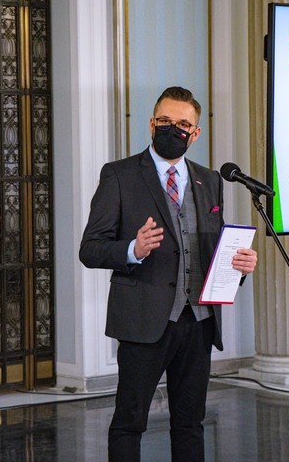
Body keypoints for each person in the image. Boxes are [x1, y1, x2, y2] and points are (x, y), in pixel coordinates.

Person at [79, 86, 258, 462]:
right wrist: (133, 248)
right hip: (143, 320)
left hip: (199, 321)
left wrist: (238, 267)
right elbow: (90, 249)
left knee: (191, 424)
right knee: (129, 422)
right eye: (164, 121)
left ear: (195, 133)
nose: (172, 129)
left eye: (182, 124)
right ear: (151, 124)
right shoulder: (120, 175)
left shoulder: (209, 180)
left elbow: (211, 249)